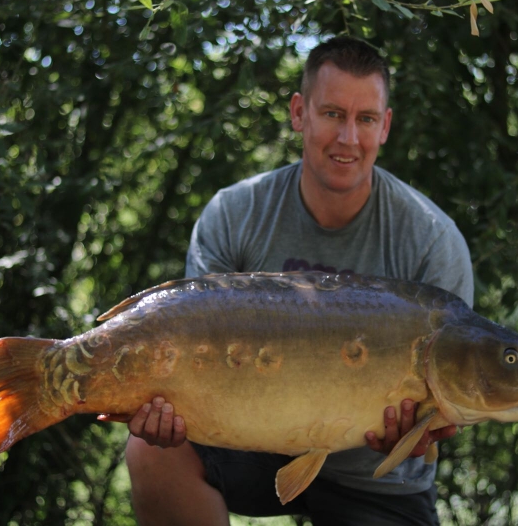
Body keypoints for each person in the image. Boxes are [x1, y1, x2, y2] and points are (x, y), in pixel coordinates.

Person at [123, 36, 474, 525]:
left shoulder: (432, 241)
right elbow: (190, 342)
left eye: (365, 119)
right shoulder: (235, 214)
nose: (348, 137)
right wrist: (165, 405)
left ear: (385, 125)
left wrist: (426, 429)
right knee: (149, 450)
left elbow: (444, 409)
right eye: (332, 113)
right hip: (248, 442)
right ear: (298, 113)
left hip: (375, 477)